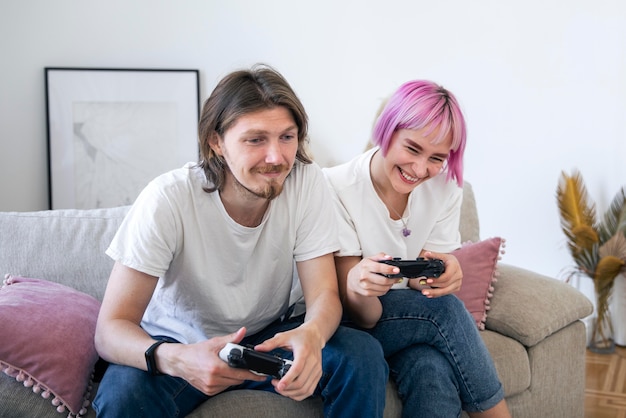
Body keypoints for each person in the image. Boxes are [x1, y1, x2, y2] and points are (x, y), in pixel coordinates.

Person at [92, 64, 388, 418]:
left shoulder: (307, 182)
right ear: (216, 142)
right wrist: (176, 360)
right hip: (181, 346)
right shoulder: (167, 199)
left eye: (287, 137)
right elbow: (110, 330)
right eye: (255, 140)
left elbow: (323, 294)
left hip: (269, 337)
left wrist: (313, 334)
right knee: (123, 396)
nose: (276, 157)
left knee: (361, 355)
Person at [323, 80, 511, 418]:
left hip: (402, 320)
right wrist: (359, 284)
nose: (421, 169)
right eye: (412, 149)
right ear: (387, 131)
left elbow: (418, 283)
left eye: (436, 158)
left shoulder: (446, 187)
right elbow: (364, 316)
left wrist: (441, 274)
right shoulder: (335, 187)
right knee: (447, 312)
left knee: (433, 370)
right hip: (350, 322)